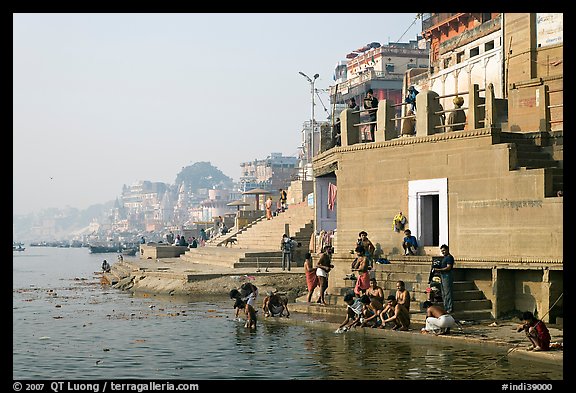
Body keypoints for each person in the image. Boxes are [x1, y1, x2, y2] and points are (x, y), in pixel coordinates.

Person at [435, 244, 455, 314]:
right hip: (442, 275)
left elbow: (448, 267)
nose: (443, 252)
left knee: (447, 292)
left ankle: (449, 308)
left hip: (447, 275)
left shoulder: (449, 257)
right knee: (443, 293)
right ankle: (446, 307)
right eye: (442, 251)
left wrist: (440, 269)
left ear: (447, 250)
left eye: (444, 250)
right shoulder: (444, 258)